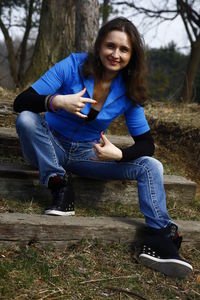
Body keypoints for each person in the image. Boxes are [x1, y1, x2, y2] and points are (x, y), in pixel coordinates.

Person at [13, 17, 192, 278]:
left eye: (124, 49)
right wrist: (57, 101)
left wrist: (120, 154)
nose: (115, 54)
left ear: (132, 55)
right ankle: (60, 184)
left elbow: (147, 144)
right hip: (49, 145)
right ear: (99, 46)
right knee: (27, 119)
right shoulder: (72, 65)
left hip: (89, 154)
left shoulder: (130, 89)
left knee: (151, 165)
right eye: (110, 46)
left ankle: (161, 235)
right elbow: (21, 102)